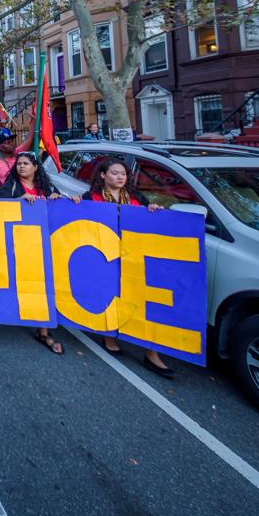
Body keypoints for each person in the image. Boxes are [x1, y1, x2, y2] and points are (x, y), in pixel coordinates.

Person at [81, 157, 174, 378]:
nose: (120, 177)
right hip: (107, 257)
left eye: (123, 173)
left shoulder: (136, 198)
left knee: (144, 301)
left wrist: (152, 209)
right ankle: (110, 336)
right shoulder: (89, 198)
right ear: (103, 176)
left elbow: (148, 220)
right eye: (114, 173)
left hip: (134, 256)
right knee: (111, 296)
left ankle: (152, 354)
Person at [0, 152, 78, 355]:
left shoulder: (47, 186)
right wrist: (18, 200)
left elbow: (61, 205)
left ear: (35, 167)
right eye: (19, 164)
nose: (21, 167)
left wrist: (62, 199)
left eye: (25, 164)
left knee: (47, 285)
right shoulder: (11, 187)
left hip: (46, 244)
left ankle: (44, 331)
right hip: (19, 244)